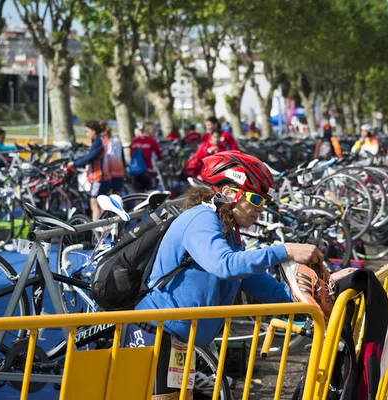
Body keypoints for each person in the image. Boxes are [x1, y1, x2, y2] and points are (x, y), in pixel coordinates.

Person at [123, 151, 333, 398]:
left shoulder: (230, 232)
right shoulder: (201, 218)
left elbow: (266, 289)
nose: (261, 209)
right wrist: (284, 250)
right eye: (256, 199)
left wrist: (326, 286)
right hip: (156, 331)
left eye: (265, 202)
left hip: (182, 338)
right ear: (231, 194)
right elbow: (225, 265)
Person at [68, 121, 112, 221]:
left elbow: (90, 157)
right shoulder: (100, 140)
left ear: (94, 131)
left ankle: (95, 232)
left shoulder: (98, 141)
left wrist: (74, 163)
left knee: (94, 205)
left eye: (87, 131)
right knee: (102, 205)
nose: (86, 134)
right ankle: (104, 227)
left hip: (99, 177)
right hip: (103, 176)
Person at [130, 122, 162, 193]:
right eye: (154, 130)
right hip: (149, 170)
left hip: (137, 170)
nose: (155, 132)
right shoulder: (152, 141)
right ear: (150, 130)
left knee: (138, 194)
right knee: (151, 193)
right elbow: (159, 155)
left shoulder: (135, 141)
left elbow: (131, 155)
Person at [100, 121, 126, 195]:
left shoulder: (102, 140)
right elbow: (122, 155)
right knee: (117, 193)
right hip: (118, 170)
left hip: (106, 171)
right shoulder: (117, 139)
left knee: (105, 194)